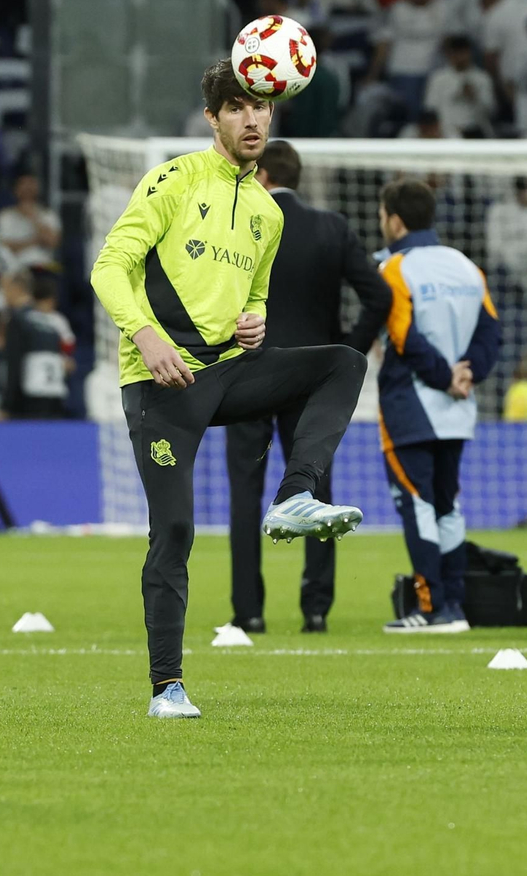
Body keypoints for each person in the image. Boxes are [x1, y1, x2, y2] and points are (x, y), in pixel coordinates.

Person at [90, 60, 368, 719]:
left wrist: (255, 322)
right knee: (175, 529)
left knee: (343, 363)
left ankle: (295, 495)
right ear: (212, 117)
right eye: (237, 107)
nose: (252, 119)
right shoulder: (175, 179)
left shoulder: (269, 214)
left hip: (227, 371)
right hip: (162, 381)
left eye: (261, 107)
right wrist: (146, 337)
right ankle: (167, 687)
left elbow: (256, 300)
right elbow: (109, 267)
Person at [225, 141, 393, 635]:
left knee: (244, 493)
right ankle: (316, 609)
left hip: (247, 373)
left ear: (261, 175)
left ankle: (248, 611)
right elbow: (378, 296)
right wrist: (345, 351)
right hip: (310, 380)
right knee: (314, 487)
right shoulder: (331, 227)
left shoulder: (241, 224)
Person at [375, 180, 500, 634]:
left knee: (418, 504)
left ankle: (430, 608)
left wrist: (444, 377)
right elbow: (490, 333)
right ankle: (454, 606)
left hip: (412, 405)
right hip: (458, 409)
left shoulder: (394, 268)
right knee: (447, 505)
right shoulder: (467, 267)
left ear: (394, 220)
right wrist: (469, 374)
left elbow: (404, 337)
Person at [0, 271, 74, 419]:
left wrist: (6, 405)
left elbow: (14, 364)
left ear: (16, 288)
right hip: (55, 397)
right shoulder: (51, 320)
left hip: (28, 401)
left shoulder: (17, 320)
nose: (3, 296)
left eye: (5, 290)